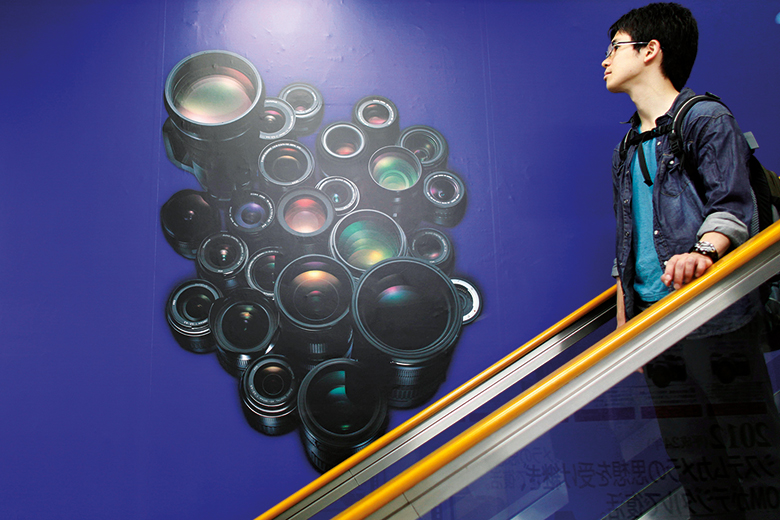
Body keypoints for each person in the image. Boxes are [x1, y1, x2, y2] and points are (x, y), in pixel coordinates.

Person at [603, 3, 780, 519]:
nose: (605, 61)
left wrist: (701, 253)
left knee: (755, 461)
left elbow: (732, 204)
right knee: (695, 467)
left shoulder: (705, 118)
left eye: (615, 47)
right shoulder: (626, 144)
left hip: (715, 319)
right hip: (656, 329)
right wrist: (625, 327)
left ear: (650, 51)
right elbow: (627, 241)